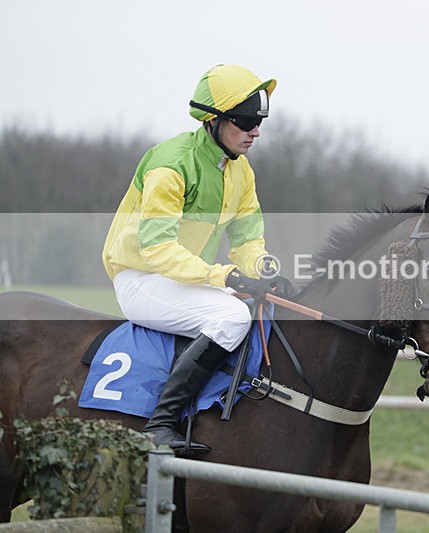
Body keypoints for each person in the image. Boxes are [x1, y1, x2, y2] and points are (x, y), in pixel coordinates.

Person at [102, 64, 294, 454]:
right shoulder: (171, 164)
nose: (255, 131)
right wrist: (223, 276)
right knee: (232, 316)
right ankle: (160, 423)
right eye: (245, 121)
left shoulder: (241, 172)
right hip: (140, 277)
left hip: (184, 279)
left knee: (266, 312)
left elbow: (247, 240)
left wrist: (265, 269)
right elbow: (157, 249)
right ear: (213, 119)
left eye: (259, 121)